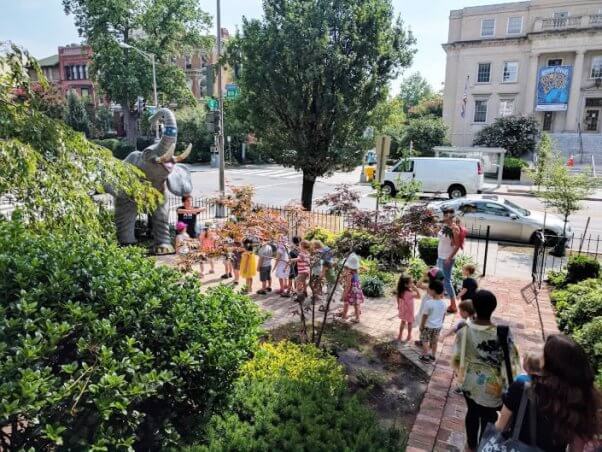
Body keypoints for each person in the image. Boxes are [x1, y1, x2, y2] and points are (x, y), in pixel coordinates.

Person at [496, 335, 600, 452]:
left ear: (552, 364)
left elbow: (501, 427)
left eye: (544, 352)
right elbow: (576, 448)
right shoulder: (579, 400)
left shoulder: (523, 385)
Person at [452, 290, 521, 452]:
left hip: (469, 382)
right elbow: (513, 362)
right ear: (493, 308)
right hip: (493, 386)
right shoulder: (502, 333)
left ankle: (471, 445)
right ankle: (484, 445)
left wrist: (460, 375)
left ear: (473, 308)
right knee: (489, 418)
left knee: (472, 412)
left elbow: (456, 359)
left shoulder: (464, 331)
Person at [437, 208, 461, 313]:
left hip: (447, 258)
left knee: (447, 281)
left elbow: (457, 245)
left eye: (445, 215)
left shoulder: (454, 228)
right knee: (441, 280)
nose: (443, 217)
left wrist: (449, 257)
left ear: (450, 216)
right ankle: (439, 301)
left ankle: (453, 305)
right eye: (444, 215)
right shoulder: (445, 226)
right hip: (441, 256)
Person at [414, 266, 445, 348]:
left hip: (426, 307)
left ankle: (422, 341)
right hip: (434, 309)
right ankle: (431, 343)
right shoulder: (440, 288)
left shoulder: (429, 287)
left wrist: (424, 276)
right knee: (432, 324)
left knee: (423, 323)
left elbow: (418, 284)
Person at [418, 280, 447, 363]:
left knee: (424, 340)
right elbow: (443, 315)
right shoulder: (444, 304)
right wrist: (441, 324)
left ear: (433, 291)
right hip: (438, 327)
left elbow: (424, 316)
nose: (428, 290)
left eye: (429, 289)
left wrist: (421, 326)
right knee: (434, 342)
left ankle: (426, 356)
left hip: (428, 326)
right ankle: (433, 356)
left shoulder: (428, 303)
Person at [340, 252, 364, 323]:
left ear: (349, 267)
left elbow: (348, 286)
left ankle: (345, 316)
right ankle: (357, 313)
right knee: (356, 304)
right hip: (357, 290)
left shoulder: (349, 274)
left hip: (351, 291)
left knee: (346, 303)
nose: (344, 269)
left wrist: (344, 295)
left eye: (345, 268)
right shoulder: (355, 272)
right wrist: (343, 276)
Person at [396, 274, 420, 342]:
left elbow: (397, 299)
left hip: (402, 310)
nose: (413, 283)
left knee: (403, 322)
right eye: (411, 282)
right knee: (410, 323)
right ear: (406, 285)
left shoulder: (400, 291)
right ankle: (409, 335)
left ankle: (400, 335)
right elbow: (419, 296)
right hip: (409, 311)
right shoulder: (410, 293)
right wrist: (416, 289)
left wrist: (398, 305)